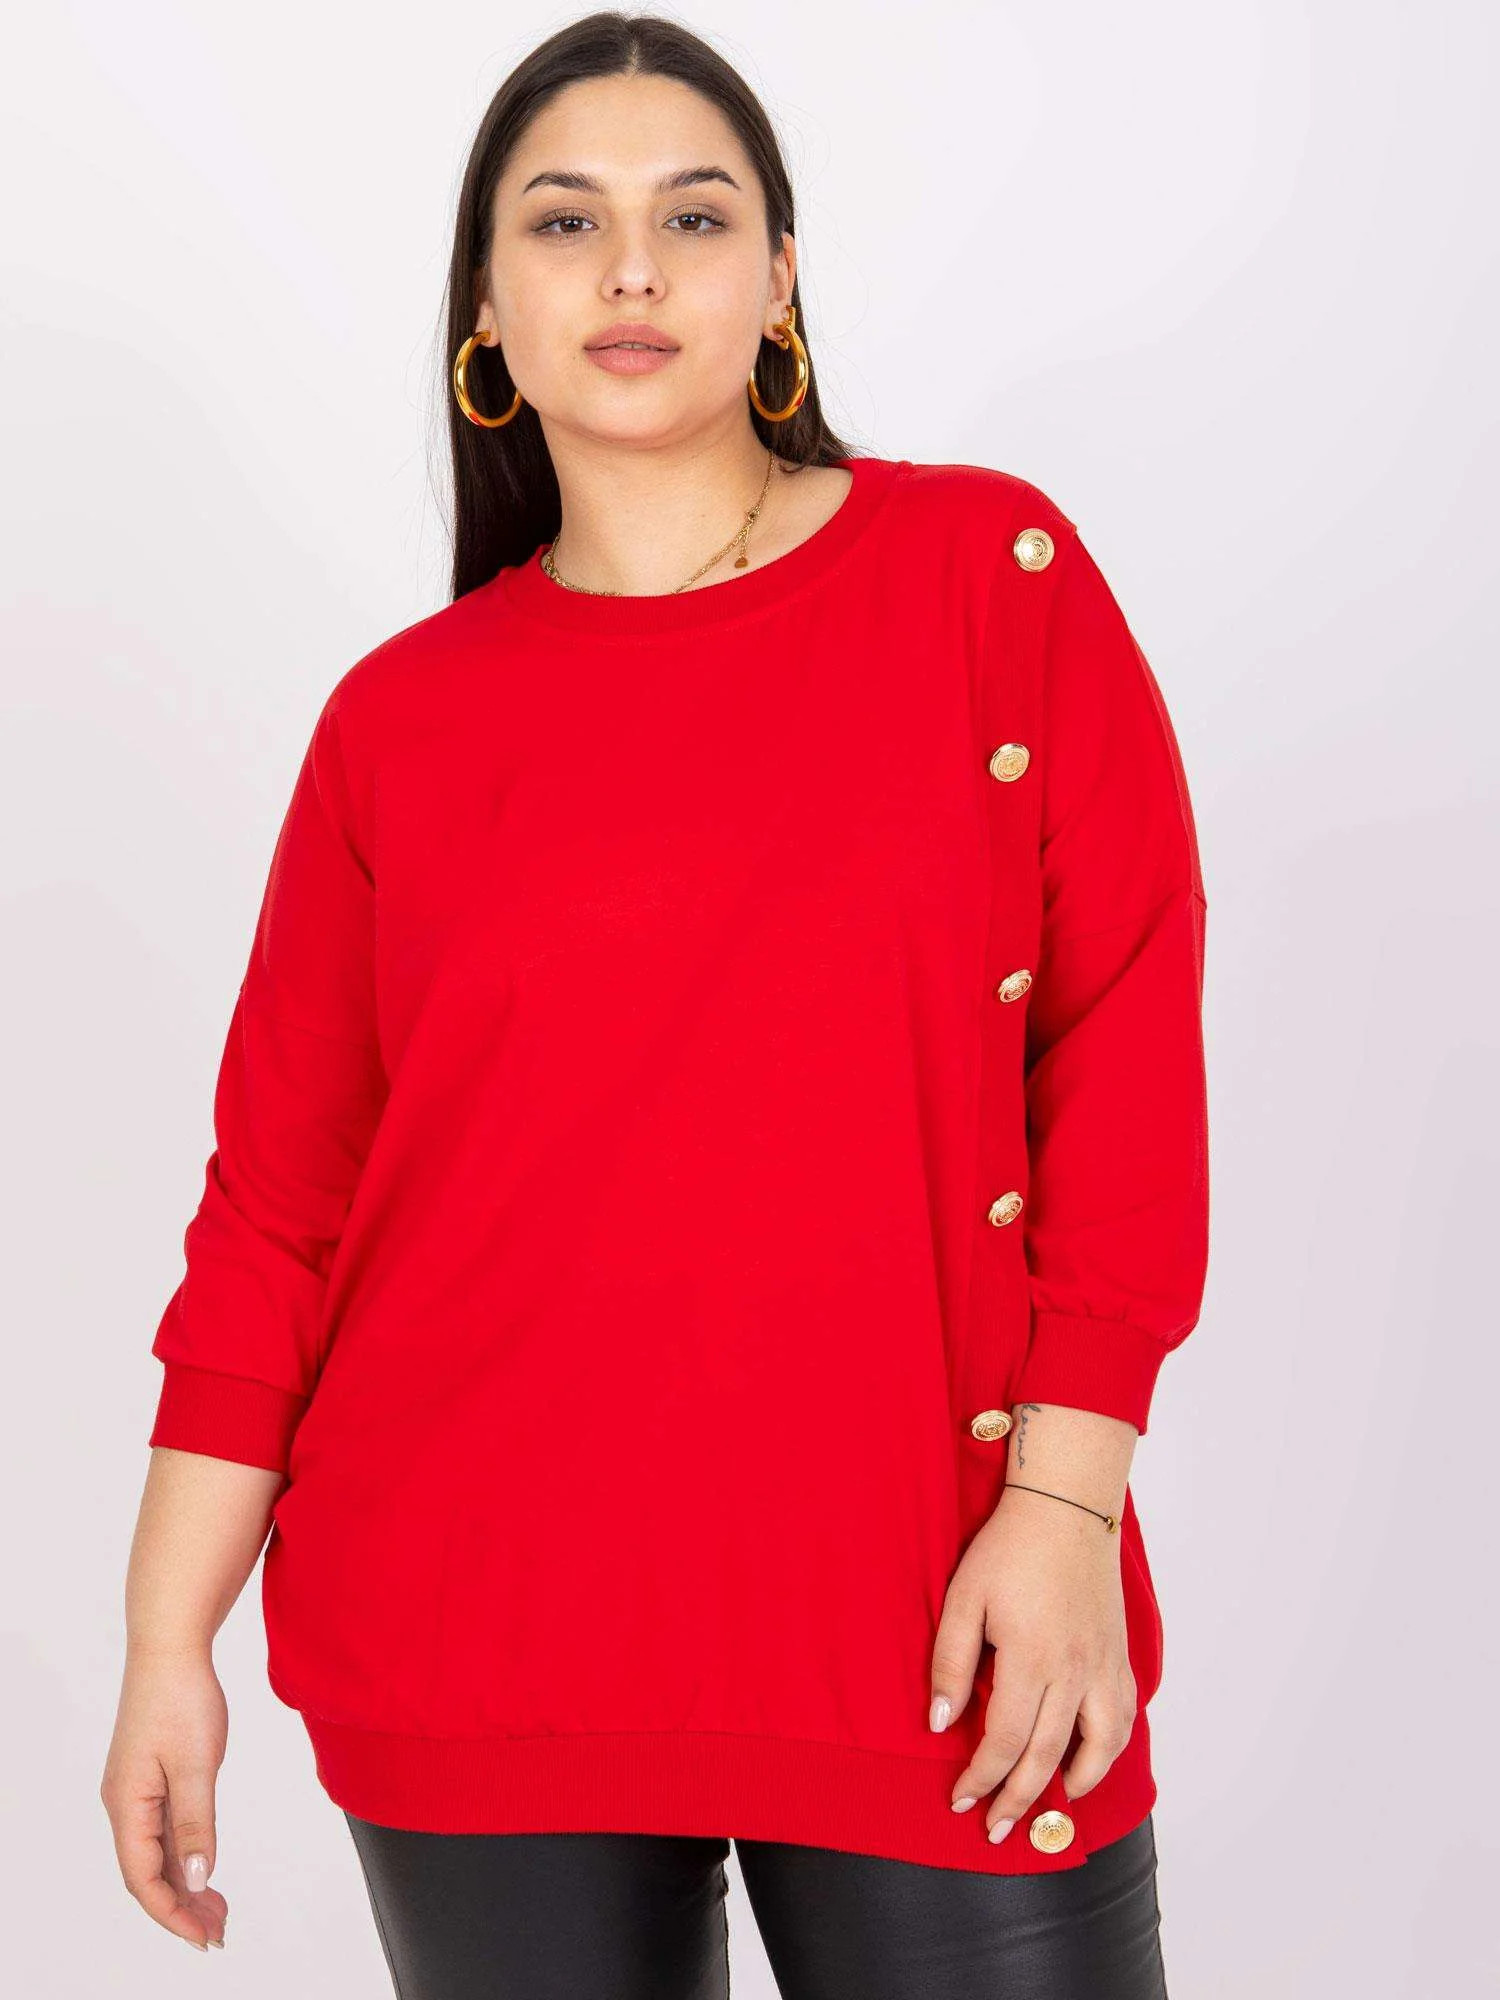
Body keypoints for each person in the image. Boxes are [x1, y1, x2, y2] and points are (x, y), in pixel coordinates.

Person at [100, 13, 1210, 1998]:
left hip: (940, 1618)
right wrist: (163, 1640)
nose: (631, 270)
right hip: (475, 1636)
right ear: (488, 309)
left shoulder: (991, 578)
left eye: (693, 217)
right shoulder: (399, 728)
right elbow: (279, 1212)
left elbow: (1118, 1052)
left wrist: (1062, 1504)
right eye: (564, 222)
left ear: (778, 283)